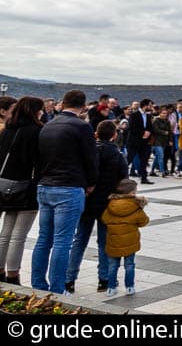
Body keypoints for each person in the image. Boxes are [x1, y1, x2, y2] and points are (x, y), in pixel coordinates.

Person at [31, 89, 99, 294]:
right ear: (83, 106)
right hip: (69, 187)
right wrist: (92, 182)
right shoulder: (81, 126)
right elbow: (90, 157)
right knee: (63, 240)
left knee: (44, 239)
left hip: (45, 186)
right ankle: (58, 287)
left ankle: (38, 284)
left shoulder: (48, 125)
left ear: (62, 104)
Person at [65, 120, 129, 294]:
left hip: (87, 201)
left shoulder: (87, 151)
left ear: (96, 134)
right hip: (108, 203)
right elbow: (124, 181)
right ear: (114, 135)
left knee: (79, 240)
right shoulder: (117, 154)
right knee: (104, 243)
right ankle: (104, 280)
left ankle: (69, 280)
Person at [0, 97, 42, 286]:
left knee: (5, 232)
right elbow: (38, 162)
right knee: (18, 236)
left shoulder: (8, 129)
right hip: (26, 187)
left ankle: (0, 269)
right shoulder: (36, 131)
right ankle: (12, 274)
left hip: (4, 185)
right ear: (34, 111)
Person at [101, 178, 149, 296]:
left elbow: (104, 219)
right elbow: (144, 222)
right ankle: (129, 287)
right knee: (129, 265)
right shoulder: (135, 206)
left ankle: (111, 288)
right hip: (130, 242)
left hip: (114, 241)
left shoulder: (110, 205)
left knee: (112, 266)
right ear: (132, 193)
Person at [127, 99, 154, 185]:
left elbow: (150, 127)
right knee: (129, 159)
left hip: (144, 141)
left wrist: (148, 133)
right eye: (149, 105)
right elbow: (132, 127)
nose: (150, 107)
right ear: (145, 105)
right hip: (134, 141)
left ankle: (144, 177)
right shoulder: (134, 115)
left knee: (144, 159)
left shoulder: (148, 116)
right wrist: (143, 133)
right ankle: (120, 176)